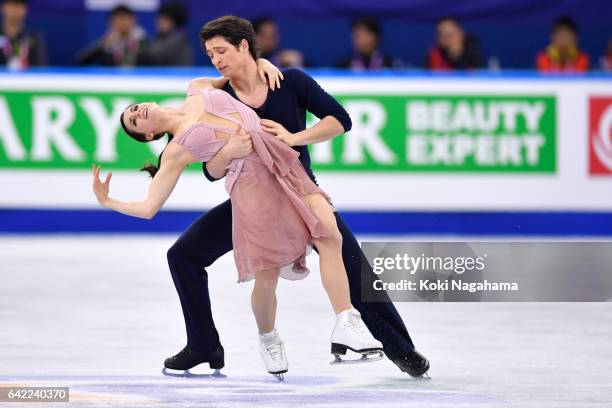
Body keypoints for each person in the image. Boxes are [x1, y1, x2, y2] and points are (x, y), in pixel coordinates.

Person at [161, 15, 430, 378]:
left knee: (353, 266)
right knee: (183, 256)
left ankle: (401, 349)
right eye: (210, 54)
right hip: (251, 204)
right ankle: (203, 344)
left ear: (244, 45)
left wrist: (293, 137)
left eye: (222, 50)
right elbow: (211, 170)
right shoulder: (217, 99)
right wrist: (230, 147)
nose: (216, 60)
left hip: (300, 195)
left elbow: (340, 119)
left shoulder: (290, 82)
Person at [92, 82, 384, 377]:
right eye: (134, 121)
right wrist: (108, 201)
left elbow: (241, 73)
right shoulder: (175, 152)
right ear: (148, 135)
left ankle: (347, 324)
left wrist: (267, 63)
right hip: (253, 190)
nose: (137, 112)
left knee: (331, 237)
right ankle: (267, 339)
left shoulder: (197, 89)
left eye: (134, 109)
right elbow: (148, 207)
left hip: (285, 168)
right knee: (267, 274)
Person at [77, 5, 146, 67]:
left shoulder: (143, 41)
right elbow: (80, 61)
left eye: (125, 19)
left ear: (134, 20)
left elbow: (153, 63)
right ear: (111, 22)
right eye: (118, 20)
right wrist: (102, 45)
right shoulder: (105, 44)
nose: (122, 24)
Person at [138, 2, 193, 66]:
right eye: (159, 18)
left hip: (176, 75)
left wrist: (137, 45)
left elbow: (153, 53)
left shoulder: (180, 40)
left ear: (173, 22)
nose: (158, 21)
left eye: (164, 19)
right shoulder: (161, 37)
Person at [336, 17, 401, 70]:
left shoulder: (391, 65)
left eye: (365, 35)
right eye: (357, 35)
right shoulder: (342, 67)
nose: (360, 40)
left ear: (377, 38)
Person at [0, 0, 47, 69]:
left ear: (25, 9)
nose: (15, 10)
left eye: (19, 6)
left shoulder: (33, 36)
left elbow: (41, 68)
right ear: (3, 7)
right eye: (11, 5)